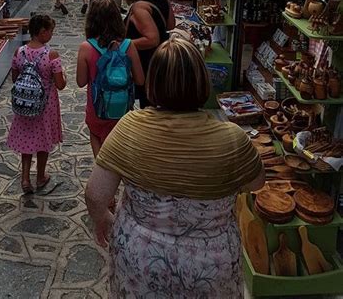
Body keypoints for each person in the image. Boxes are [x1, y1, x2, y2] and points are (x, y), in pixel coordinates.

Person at [85, 37, 265, 298]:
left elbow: (95, 194)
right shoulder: (232, 139)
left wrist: (107, 221)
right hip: (210, 266)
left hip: (141, 261)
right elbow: (257, 183)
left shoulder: (130, 128)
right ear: (203, 81)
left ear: (153, 82)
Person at [76, 0, 144, 156]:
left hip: (97, 108)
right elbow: (140, 80)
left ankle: (101, 171)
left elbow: (80, 82)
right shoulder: (128, 45)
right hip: (122, 109)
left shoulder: (86, 48)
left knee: (95, 134)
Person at [7, 15, 66, 193]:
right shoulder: (51, 55)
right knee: (43, 140)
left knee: (27, 140)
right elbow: (60, 84)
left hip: (25, 104)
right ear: (42, 32)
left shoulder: (20, 52)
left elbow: (15, 78)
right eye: (50, 31)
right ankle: (40, 176)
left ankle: (25, 179)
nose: (51, 34)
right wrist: (65, 77)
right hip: (45, 105)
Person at [114, 0, 175, 108]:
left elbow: (152, 39)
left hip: (147, 63)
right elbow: (171, 24)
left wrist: (125, 44)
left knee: (148, 103)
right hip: (163, 58)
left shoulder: (139, 8)